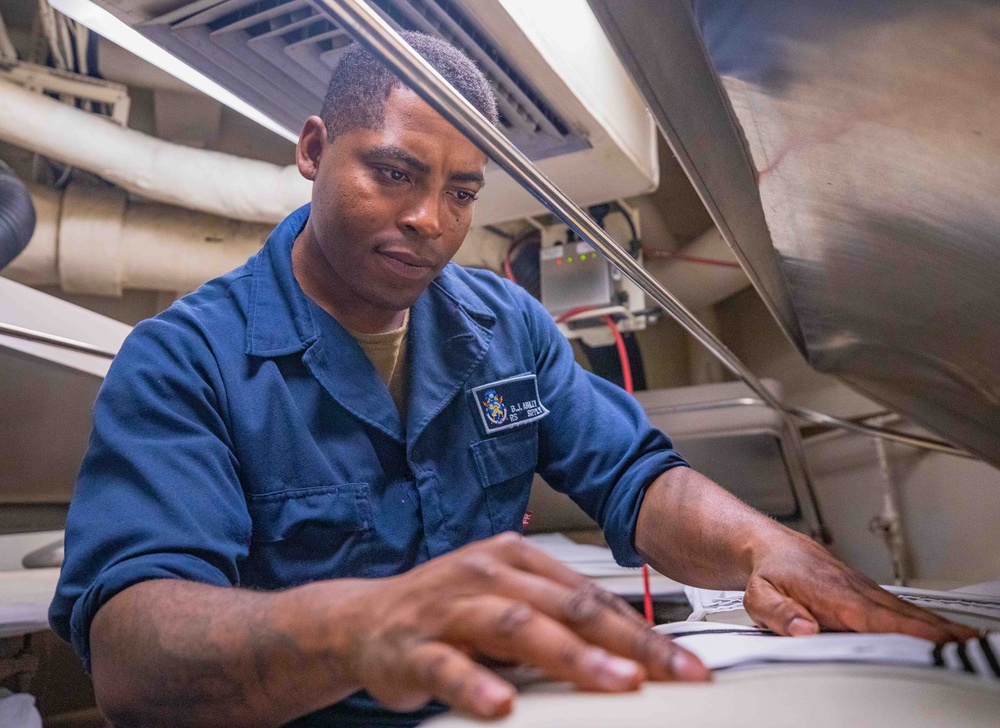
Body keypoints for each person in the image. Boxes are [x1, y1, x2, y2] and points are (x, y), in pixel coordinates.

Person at [49, 31, 974, 728]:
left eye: (461, 191)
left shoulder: (507, 328)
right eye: (394, 172)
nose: (429, 221)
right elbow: (131, 657)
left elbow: (635, 478)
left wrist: (765, 551)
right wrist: (362, 628)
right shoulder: (186, 361)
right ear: (312, 149)